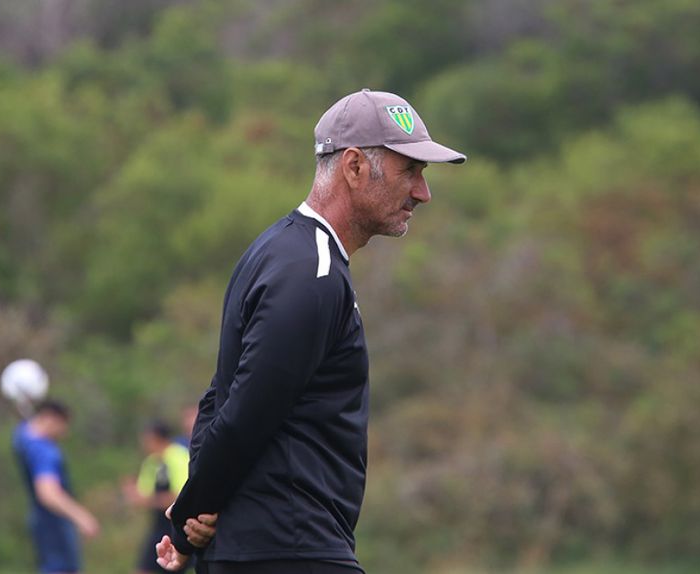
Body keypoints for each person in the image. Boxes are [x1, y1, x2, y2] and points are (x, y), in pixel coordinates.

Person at [155, 89, 465, 573]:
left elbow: (219, 396)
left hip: (269, 548)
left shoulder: (279, 250)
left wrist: (197, 512)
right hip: (291, 550)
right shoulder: (312, 272)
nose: (422, 192)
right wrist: (190, 516)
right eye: (411, 171)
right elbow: (245, 409)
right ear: (355, 166)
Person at [13, 400, 100, 574]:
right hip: (54, 524)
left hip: (39, 521)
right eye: (63, 426)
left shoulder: (21, 436)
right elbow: (48, 493)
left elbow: (25, 425)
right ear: (52, 420)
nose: (64, 434)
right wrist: (81, 517)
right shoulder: (45, 451)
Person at [123, 422, 193, 574]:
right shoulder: (151, 462)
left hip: (180, 527)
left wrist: (147, 500)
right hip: (159, 527)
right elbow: (144, 495)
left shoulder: (178, 456)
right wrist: (132, 492)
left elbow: (181, 496)